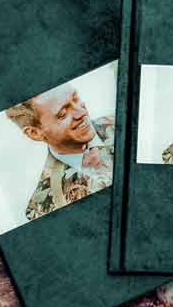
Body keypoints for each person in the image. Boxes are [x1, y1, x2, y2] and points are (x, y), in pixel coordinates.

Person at [9, 82, 115, 222]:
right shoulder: (42, 210)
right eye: (63, 114)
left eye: (76, 98)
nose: (82, 112)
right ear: (34, 133)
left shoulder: (130, 121)